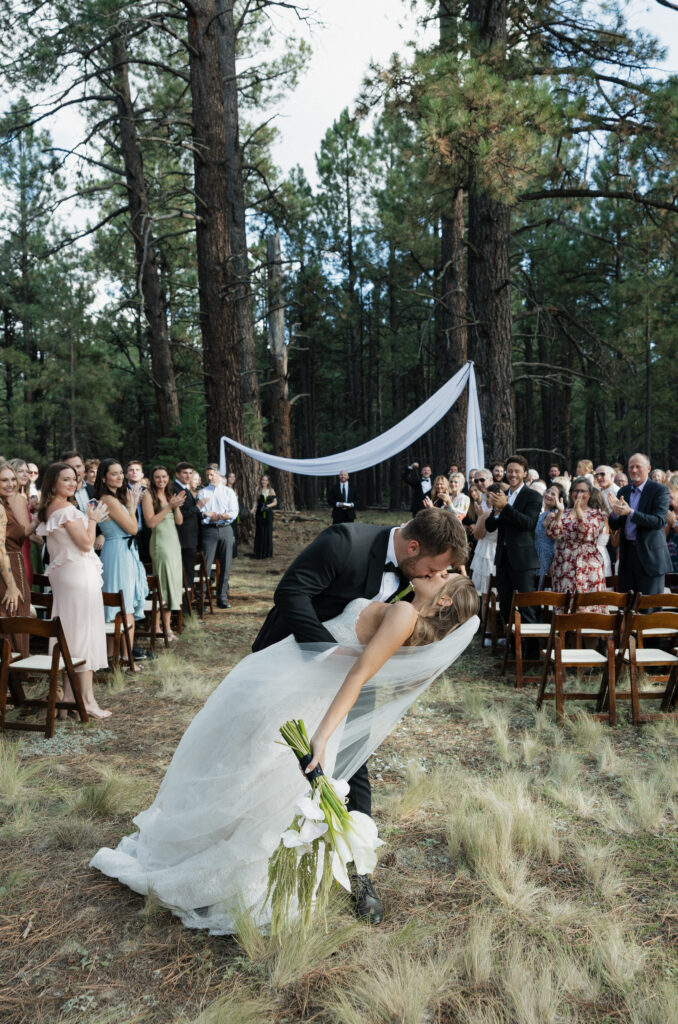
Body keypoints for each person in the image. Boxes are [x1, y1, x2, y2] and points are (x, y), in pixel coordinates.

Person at [91, 536, 479, 935]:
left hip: (301, 690)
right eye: (440, 567)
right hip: (299, 676)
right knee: (259, 774)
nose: (437, 572)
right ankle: (225, 857)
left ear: (444, 600)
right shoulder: (404, 608)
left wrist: (322, 736)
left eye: (443, 576)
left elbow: (359, 675)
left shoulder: (403, 613)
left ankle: (232, 872)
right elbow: (356, 654)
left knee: (260, 772)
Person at [251, 507, 468, 922]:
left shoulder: (417, 583)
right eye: (434, 568)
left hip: (357, 677)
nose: (434, 575)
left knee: (354, 767)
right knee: (267, 758)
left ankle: (359, 873)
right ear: (413, 547)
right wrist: (327, 654)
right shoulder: (344, 542)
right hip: (295, 664)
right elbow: (291, 594)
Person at [35, 463, 111, 718]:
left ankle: (69, 698)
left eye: (74, 479)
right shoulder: (66, 510)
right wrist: (93, 520)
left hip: (65, 576)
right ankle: (87, 701)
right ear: (53, 482)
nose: (72, 483)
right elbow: (87, 544)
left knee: (70, 635)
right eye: (65, 479)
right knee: (84, 635)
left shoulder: (49, 508)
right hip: (78, 575)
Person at [95, 458, 149, 667]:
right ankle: (126, 658)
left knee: (118, 604)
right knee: (124, 605)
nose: (119, 477)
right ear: (104, 477)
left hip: (120, 551)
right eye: (114, 473)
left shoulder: (112, 497)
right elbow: (133, 529)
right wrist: (132, 507)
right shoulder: (109, 499)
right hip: (118, 553)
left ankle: (113, 657)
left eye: (120, 473)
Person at [483, 455, 542, 628]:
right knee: (505, 606)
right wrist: (496, 512)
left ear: (525, 473)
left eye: (517, 471)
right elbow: (490, 527)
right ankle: (510, 642)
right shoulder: (502, 495)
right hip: (503, 559)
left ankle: (530, 644)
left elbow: (528, 524)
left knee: (526, 608)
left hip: (523, 561)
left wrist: (506, 507)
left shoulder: (533, 496)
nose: (513, 474)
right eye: (510, 471)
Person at [609, 453, 673, 596]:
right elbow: (614, 525)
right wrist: (615, 512)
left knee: (649, 606)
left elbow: (658, 521)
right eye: (631, 467)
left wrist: (630, 512)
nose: (634, 470)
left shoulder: (659, 490)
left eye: (638, 466)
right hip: (627, 557)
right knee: (626, 605)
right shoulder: (623, 491)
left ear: (648, 468)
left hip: (650, 558)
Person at [545, 477, 607, 606]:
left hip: (587, 565)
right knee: (564, 604)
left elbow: (587, 534)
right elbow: (552, 534)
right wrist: (560, 513)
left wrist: (578, 511)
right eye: (576, 490)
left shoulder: (597, 514)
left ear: (589, 494)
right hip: (563, 563)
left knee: (587, 605)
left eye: (583, 491)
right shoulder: (562, 512)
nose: (579, 494)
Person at [143, 466, 185, 641]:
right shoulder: (148, 495)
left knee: (172, 583)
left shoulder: (170, 494)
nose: (161, 480)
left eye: (164, 476)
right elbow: (151, 522)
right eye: (157, 477)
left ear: (168, 477)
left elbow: (179, 521)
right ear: (152, 479)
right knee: (162, 585)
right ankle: (156, 627)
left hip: (173, 542)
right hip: (160, 543)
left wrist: (176, 506)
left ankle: (167, 627)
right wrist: (169, 506)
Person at [0, 462, 33, 656]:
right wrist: (11, 586)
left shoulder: (6, 504)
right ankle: (15, 671)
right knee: (12, 623)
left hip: (15, 568)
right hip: (7, 573)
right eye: (4, 480)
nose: (11, 484)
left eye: (13, 479)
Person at [198, 464, 238, 609]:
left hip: (226, 529)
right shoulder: (203, 492)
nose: (209, 477)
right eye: (207, 475)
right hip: (209, 530)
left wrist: (220, 516)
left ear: (218, 474)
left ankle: (222, 598)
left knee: (226, 564)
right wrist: (208, 516)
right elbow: (201, 512)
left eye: (211, 474)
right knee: (206, 564)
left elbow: (233, 512)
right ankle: (202, 599)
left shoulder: (228, 492)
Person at [470, 482, 506, 611]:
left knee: (486, 596)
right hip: (499, 550)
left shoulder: (488, 514)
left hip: (487, 552)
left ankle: (487, 622)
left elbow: (478, 535)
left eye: (489, 497)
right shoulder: (507, 512)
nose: (486, 500)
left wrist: (480, 516)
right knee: (497, 594)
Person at [173, 462, 202, 591]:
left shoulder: (185, 488)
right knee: (186, 571)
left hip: (190, 537)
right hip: (183, 538)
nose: (188, 476)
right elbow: (180, 514)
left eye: (190, 473)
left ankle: (188, 598)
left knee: (189, 571)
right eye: (185, 473)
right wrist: (197, 507)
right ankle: (185, 599)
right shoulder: (175, 489)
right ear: (177, 474)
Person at [534, 482, 566, 588]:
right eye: (548, 491)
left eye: (553, 494)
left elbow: (556, 536)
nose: (548, 495)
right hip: (536, 551)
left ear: (559, 499)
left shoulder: (551, 515)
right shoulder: (542, 513)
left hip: (544, 555)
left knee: (539, 585)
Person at [126, 460, 150, 565]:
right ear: (126, 475)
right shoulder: (121, 491)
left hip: (147, 534)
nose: (134, 472)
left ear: (142, 474)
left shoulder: (149, 491)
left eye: (137, 470)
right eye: (131, 470)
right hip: (129, 534)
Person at [252, 474, 277, 559]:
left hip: (268, 513)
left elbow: (275, 502)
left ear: (268, 481)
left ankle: (267, 552)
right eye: (263, 480)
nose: (264, 482)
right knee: (260, 531)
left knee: (267, 531)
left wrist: (268, 506)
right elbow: (255, 501)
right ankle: (259, 552)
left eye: (266, 480)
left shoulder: (271, 490)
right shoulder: (257, 489)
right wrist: (253, 509)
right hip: (259, 513)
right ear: (261, 480)